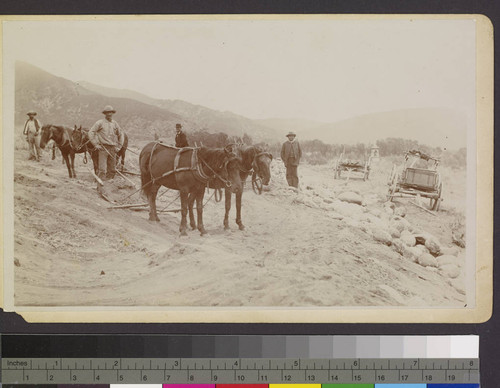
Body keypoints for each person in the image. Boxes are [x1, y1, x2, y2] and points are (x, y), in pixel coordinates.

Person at [88, 105, 125, 182]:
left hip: (113, 149)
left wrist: (119, 146)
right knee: (102, 169)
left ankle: (110, 186)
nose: (109, 114)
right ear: (105, 114)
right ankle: (101, 186)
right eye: (107, 113)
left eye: (110, 112)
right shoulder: (99, 123)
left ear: (112, 113)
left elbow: (121, 134)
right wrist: (96, 144)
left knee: (112, 169)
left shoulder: (115, 124)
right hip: (103, 149)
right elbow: (91, 132)